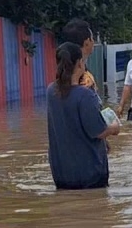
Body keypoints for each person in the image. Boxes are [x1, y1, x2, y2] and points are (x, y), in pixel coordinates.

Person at [47, 42, 119, 190]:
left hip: (61, 173)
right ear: (80, 63)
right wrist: (114, 128)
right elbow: (98, 131)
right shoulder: (85, 95)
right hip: (89, 172)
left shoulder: (51, 91)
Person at [60, 18, 98, 93]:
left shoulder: (63, 70)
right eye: (92, 38)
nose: (93, 42)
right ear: (86, 42)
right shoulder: (83, 80)